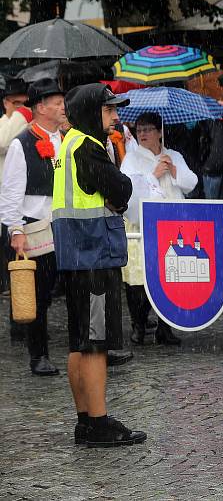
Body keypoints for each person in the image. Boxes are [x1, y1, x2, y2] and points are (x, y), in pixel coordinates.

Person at [53, 83, 146, 447]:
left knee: (80, 342)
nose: (116, 116)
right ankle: (99, 422)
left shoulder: (69, 144)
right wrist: (118, 188)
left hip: (78, 255)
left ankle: (85, 422)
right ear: (94, 112)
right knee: (95, 343)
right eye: (109, 110)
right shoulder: (87, 147)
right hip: (93, 253)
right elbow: (121, 188)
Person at [0, 79, 64, 375]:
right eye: (57, 103)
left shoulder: (67, 140)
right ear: (41, 108)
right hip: (36, 227)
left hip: (64, 225)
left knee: (61, 289)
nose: (62, 107)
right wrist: (15, 230)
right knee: (38, 294)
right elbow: (11, 191)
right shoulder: (21, 143)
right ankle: (39, 354)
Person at [121, 112, 198, 345]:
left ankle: (165, 327)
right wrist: (152, 175)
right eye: (139, 130)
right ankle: (139, 324)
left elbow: (191, 183)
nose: (143, 134)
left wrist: (173, 170)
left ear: (159, 131)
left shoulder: (173, 155)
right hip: (143, 222)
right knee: (140, 278)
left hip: (172, 223)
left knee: (169, 276)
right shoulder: (132, 158)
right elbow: (128, 190)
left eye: (148, 129)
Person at [1, 77, 30, 333]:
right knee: (11, 265)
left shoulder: (20, 121)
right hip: (5, 199)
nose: (21, 108)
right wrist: (17, 116)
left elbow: (10, 142)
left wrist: (17, 115)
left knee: (19, 264)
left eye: (24, 103)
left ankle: (22, 316)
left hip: (16, 201)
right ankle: (16, 316)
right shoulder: (8, 122)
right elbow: (3, 142)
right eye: (15, 103)